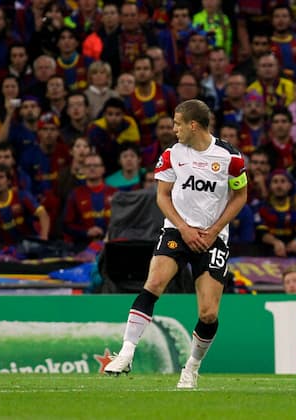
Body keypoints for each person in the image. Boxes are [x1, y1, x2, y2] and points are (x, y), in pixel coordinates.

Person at [104, 100, 248, 391]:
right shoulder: (171, 155)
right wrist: (183, 228)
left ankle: (191, 367)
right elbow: (163, 196)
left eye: (177, 123)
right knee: (153, 284)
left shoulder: (230, 157)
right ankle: (127, 352)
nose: (174, 129)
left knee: (208, 313)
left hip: (213, 238)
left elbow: (241, 196)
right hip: (177, 231)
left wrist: (213, 231)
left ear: (193, 125)